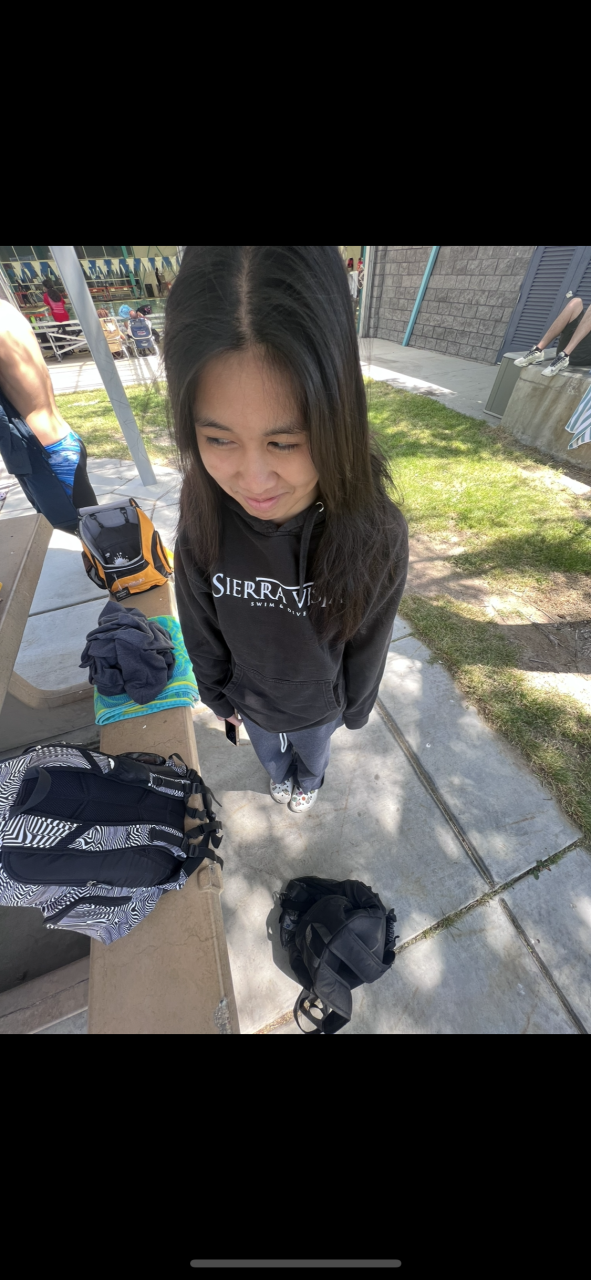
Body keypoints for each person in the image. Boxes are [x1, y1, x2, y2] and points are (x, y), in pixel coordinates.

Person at [166, 246, 409, 815]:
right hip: (248, 703)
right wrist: (216, 695)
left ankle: (310, 782)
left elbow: (369, 641)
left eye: (285, 442)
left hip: (319, 710)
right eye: (219, 439)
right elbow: (200, 624)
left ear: (337, 419)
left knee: (311, 757)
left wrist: (355, 708)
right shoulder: (204, 517)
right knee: (270, 757)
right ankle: (281, 777)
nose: (254, 481)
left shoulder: (375, 533)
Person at [0, 299, 97, 534]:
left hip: (44, 455)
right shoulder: (7, 311)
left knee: (87, 535)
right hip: (62, 439)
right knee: (93, 530)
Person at [514, 295, 591, 376]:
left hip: (583, 357)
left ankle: (564, 356)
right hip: (563, 351)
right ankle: (538, 350)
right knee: (576, 302)